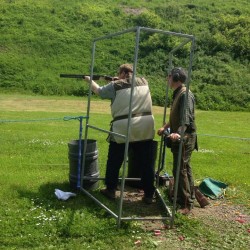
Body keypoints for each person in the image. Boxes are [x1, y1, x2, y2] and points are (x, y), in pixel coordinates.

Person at [84, 64, 156, 204]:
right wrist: (115, 81)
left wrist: (89, 80)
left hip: (124, 128)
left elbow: (99, 91)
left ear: (122, 73)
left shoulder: (116, 85)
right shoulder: (144, 82)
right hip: (144, 127)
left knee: (114, 160)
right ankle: (149, 194)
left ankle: (111, 189)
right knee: (146, 164)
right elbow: (129, 87)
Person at [157, 67, 198, 215]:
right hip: (183, 136)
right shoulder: (178, 93)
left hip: (185, 138)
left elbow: (185, 120)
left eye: (169, 76)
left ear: (176, 78)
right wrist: (165, 127)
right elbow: (174, 117)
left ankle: (185, 204)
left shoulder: (185, 95)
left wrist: (178, 134)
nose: (168, 79)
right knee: (184, 168)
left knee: (180, 170)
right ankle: (190, 197)